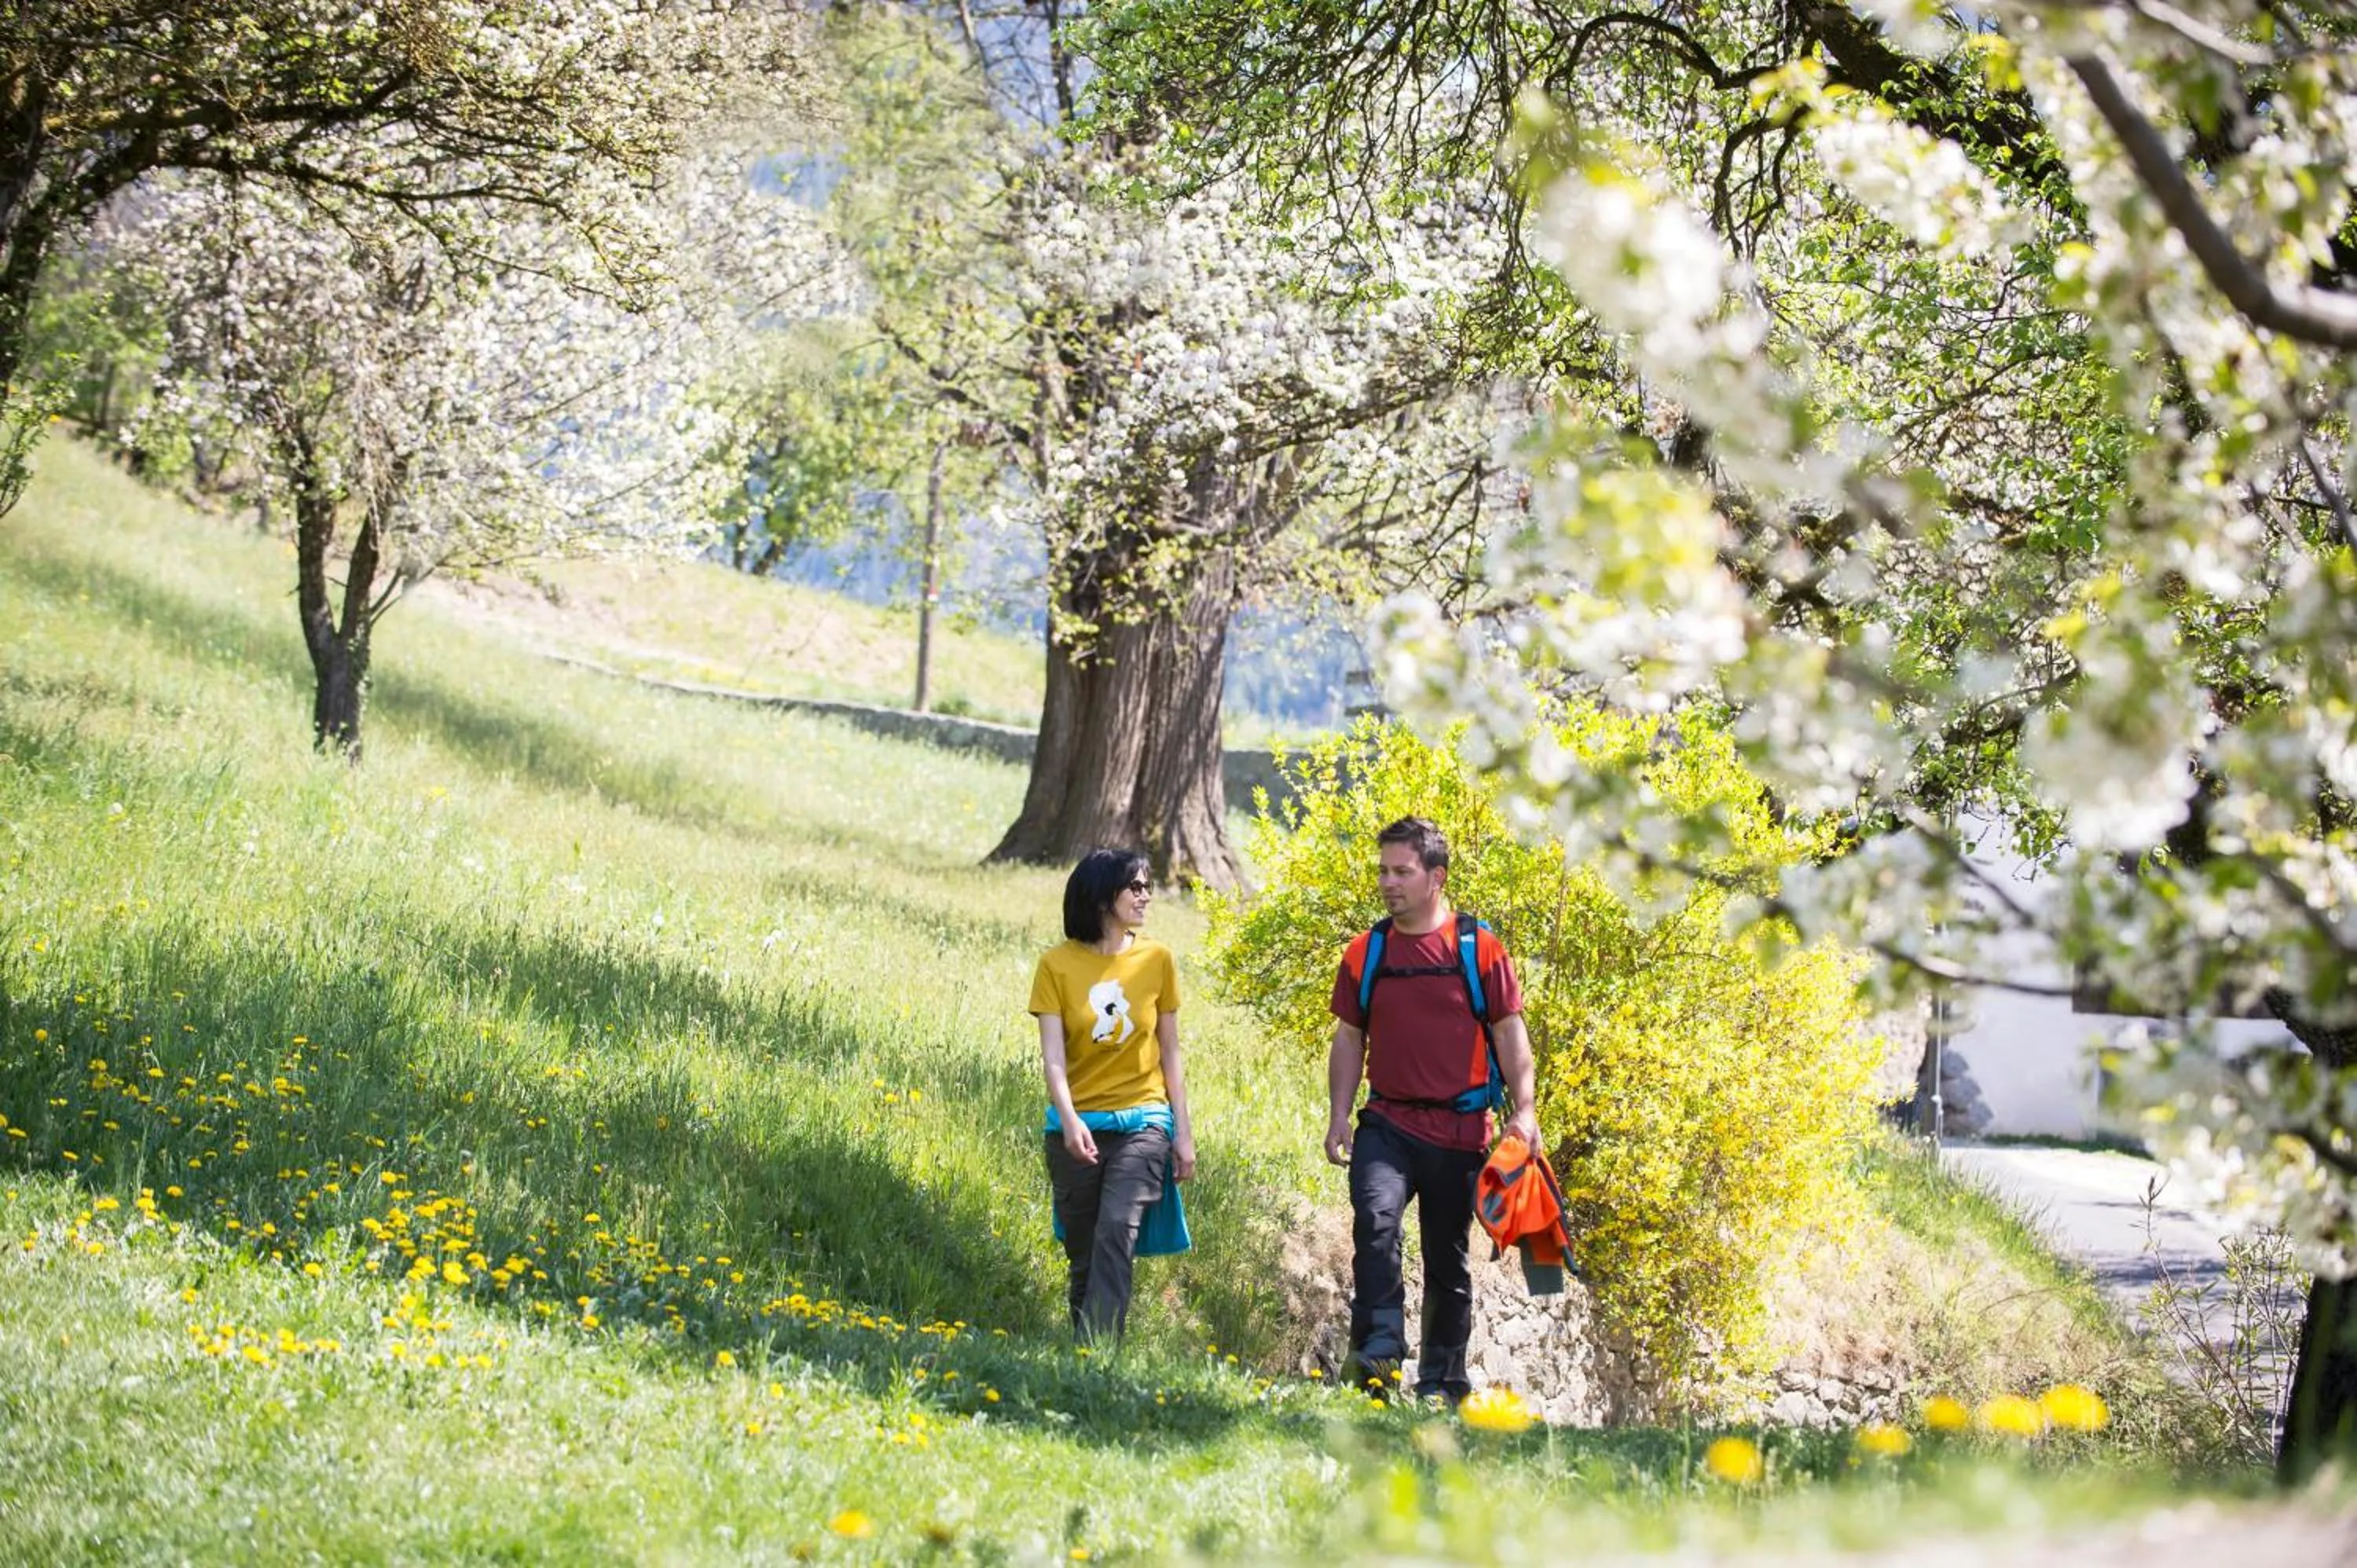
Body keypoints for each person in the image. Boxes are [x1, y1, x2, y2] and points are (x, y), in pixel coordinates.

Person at [1325, 815, 1538, 1405]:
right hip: (1386, 1123)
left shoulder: (1479, 949)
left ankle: (1442, 1384)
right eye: (1383, 871)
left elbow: (1509, 1031)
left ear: (1436, 877)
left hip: (1460, 1131)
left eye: (1402, 871)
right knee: (1376, 1225)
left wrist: (1526, 1110)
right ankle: (1375, 1364)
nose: (1388, 883)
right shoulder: (1366, 951)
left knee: (1447, 1260)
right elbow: (1349, 1037)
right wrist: (1339, 1114)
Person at [1029, 848, 1197, 1342]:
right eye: (1137, 887)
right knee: (1083, 1252)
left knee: (1116, 1229)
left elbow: (1170, 1050)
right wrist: (1070, 1118)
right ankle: (1084, 1365)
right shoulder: (1056, 966)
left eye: (1148, 885)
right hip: (1076, 1125)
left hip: (1144, 1122)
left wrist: (1182, 1132)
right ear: (1104, 896)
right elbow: (1053, 1058)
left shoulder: (1157, 960)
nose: (1147, 895)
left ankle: (1098, 1351)